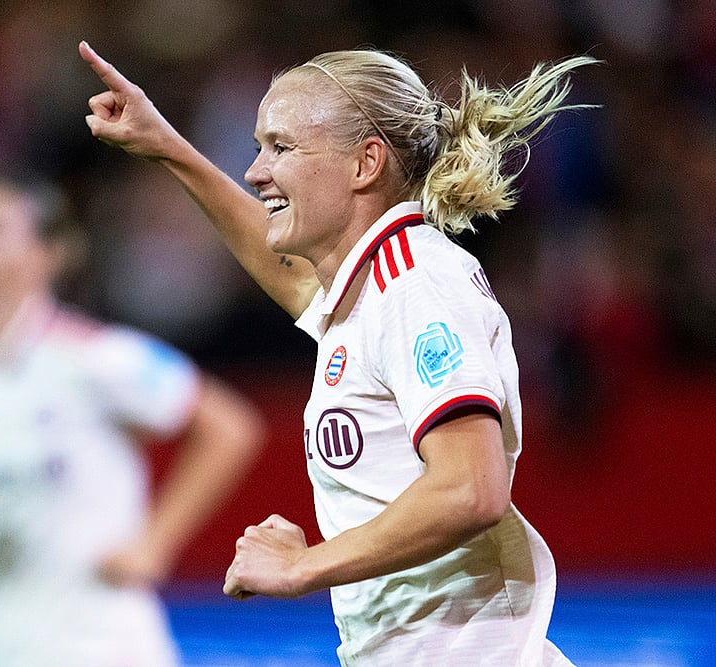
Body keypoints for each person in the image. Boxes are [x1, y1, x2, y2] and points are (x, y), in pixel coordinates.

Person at [80, 40, 598, 665]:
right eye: (259, 147)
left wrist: (304, 566)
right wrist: (166, 146)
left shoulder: (415, 284)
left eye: (281, 147)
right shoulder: (371, 285)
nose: (255, 171)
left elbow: (470, 488)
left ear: (365, 164)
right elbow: (297, 282)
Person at [0, 176, 265, 667]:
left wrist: (156, 543)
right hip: (4, 645)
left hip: (107, 646)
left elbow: (229, 425)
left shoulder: (94, 355)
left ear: (46, 255)